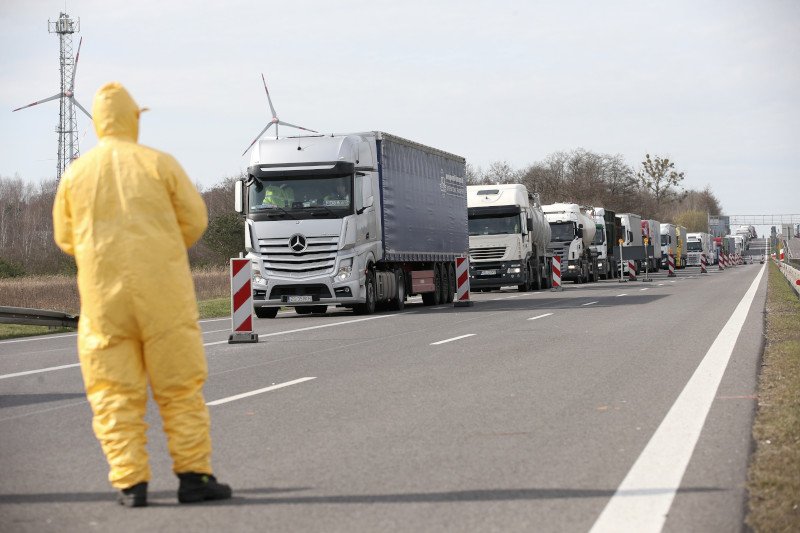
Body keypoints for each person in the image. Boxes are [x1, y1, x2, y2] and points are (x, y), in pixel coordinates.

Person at [52, 82, 231, 507]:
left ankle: (131, 483)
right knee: (180, 388)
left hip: (103, 300)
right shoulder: (159, 164)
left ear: (97, 122)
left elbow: (65, 236)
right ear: (134, 118)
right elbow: (195, 220)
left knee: (112, 392)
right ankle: (194, 477)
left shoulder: (76, 173)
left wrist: (100, 255)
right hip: (164, 296)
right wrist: (164, 246)